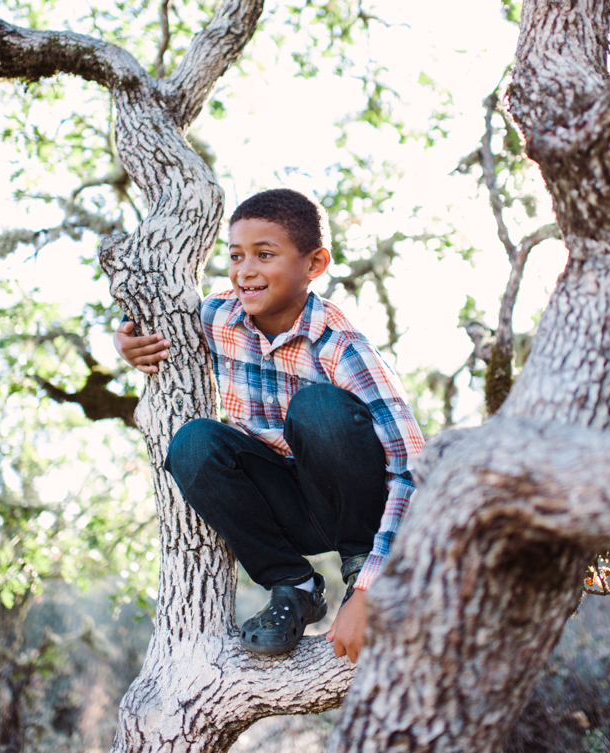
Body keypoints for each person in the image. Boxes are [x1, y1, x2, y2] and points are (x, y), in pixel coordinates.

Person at [114, 188, 424, 662]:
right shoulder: (219, 317)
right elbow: (153, 325)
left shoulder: (343, 347)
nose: (244, 271)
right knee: (193, 443)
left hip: (353, 503)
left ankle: (357, 564)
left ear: (314, 264)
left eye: (265, 254)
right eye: (235, 255)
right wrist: (127, 344)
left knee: (317, 407)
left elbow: (410, 469)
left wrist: (370, 591)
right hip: (285, 506)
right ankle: (294, 585)